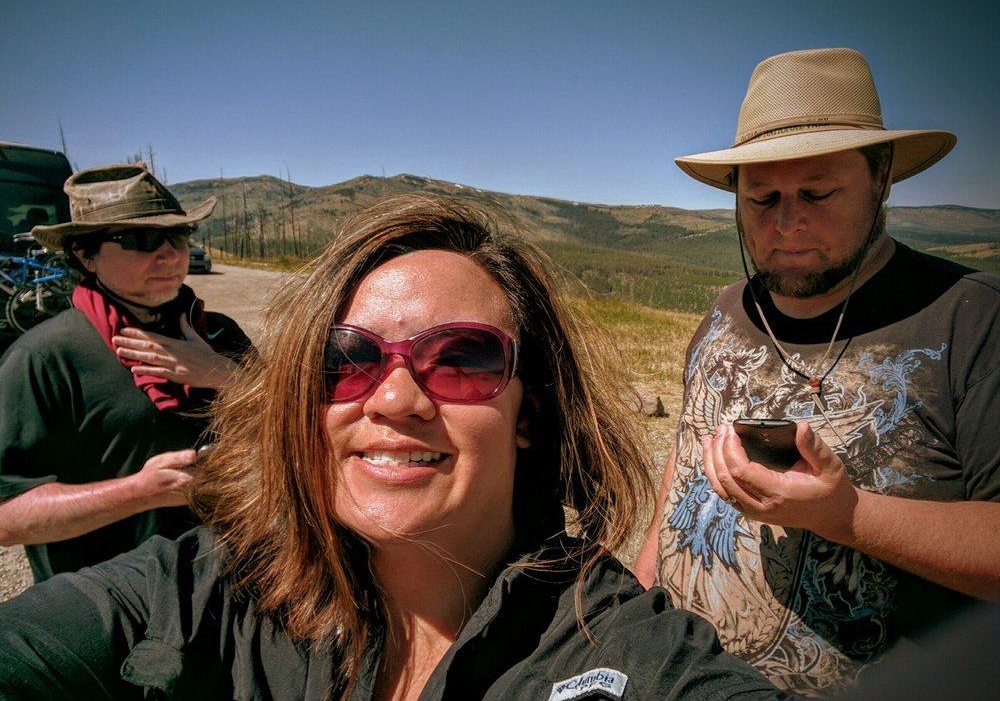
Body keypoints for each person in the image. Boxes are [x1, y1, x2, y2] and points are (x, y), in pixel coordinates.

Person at [0, 196, 781, 699]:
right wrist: (138, 493)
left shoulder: (623, 652)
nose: (395, 398)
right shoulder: (204, 590)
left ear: (531, 410)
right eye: (346, 359)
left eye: (463, 359)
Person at [634, 47, 1000, 695]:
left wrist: (849, 515)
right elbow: (687, 456)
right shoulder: (725, 310)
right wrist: (643, 596)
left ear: (881, 175)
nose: (786, 224)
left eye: (817, 193)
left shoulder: (971, 322)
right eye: (762, 198)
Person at [0, 163, 251, 583]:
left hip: (234, 587)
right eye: (140, 239)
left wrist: (230, 377)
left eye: (178, 235)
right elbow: (7, 515)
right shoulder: (45, 358)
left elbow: (302, 431)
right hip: (114, 606)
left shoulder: (221, 336)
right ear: (85, 254)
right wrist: (139, 493)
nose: (169, 254)